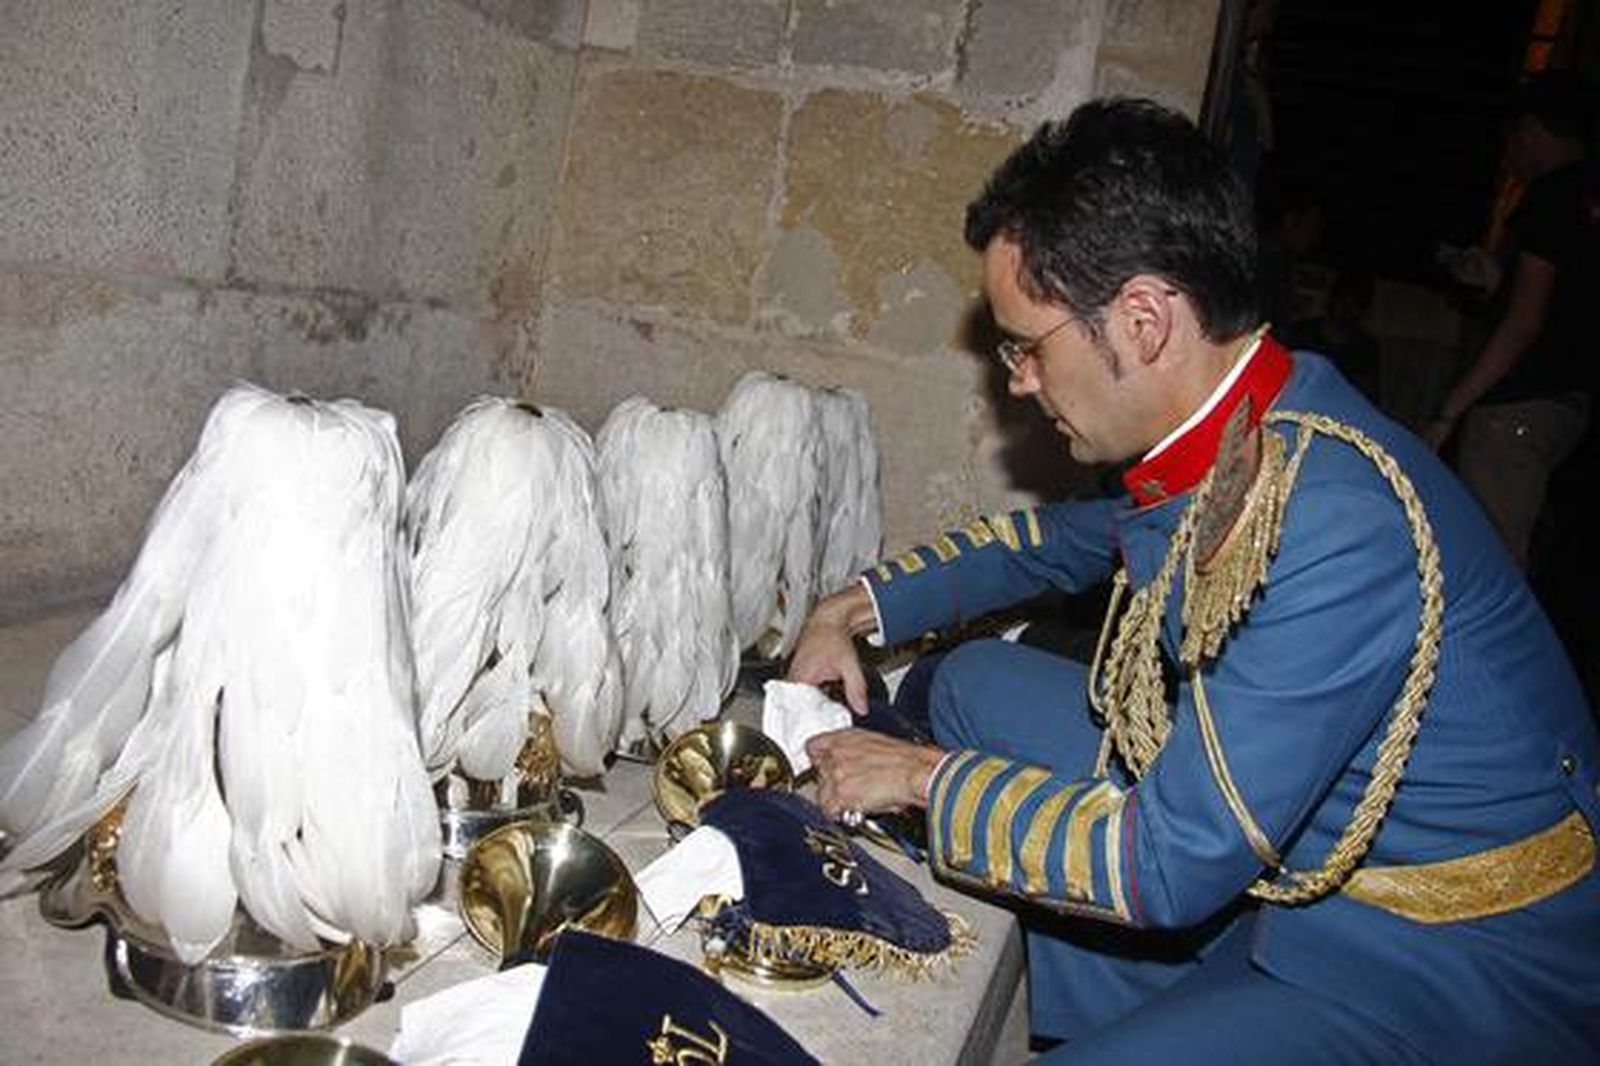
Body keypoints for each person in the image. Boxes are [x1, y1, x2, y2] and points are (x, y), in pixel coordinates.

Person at [790, 97, 1599, 1062]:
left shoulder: (1331, 517)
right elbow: (1056, 543)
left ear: (1143, 319)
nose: (1017, 381)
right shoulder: (1248, 417)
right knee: (972, 681)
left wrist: (923, 779)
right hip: (1285, 862)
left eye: (1027, 346)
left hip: (1435, 963)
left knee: (1011, 816)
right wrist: (850, 608)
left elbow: (1167, 862)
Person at [1426, 71, 1598, 571]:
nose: (1511, 155)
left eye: (1514, 138)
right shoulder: (1589, 197)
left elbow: (1524, 323)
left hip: (1518, 404)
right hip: (1568, 402)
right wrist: (1497, 282)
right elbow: (1563, 303)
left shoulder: (1553, 196)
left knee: (1490, 559)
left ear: (1532, 129)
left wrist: (1448, 412)